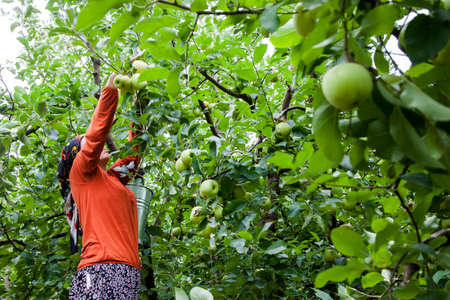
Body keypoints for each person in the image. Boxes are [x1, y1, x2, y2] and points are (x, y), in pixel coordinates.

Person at [57, 74, 142, 299]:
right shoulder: (81, 175)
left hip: (127, 271)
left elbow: (133, 156)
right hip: (100, 268)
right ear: (79, 156)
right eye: (87, 143)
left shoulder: (113, 179)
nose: (100, 142)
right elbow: (97, 134)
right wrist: (110, 90)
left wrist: (141, 104)